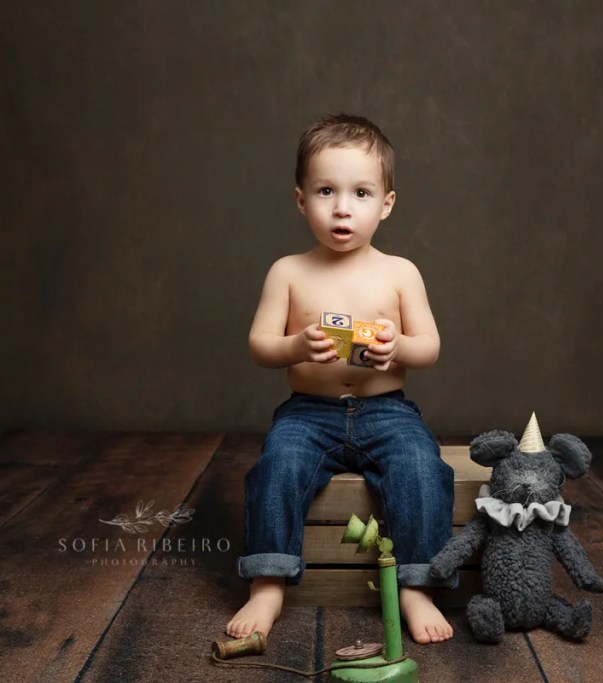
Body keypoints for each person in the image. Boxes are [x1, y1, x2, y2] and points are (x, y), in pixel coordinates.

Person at [225, 114, 455, 644]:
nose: (342, 207)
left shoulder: (401, 272)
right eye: (326, 190)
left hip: (387, 410)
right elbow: (260, 346)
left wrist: (398, 346)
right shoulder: (288, 271)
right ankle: (267, 581)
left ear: (387, 204)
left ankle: (415, 584)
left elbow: (430, 347)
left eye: (361, 192)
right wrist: (296, 345)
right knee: (276, 466)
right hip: (309, 413)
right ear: (301, 199)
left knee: (422, 467)